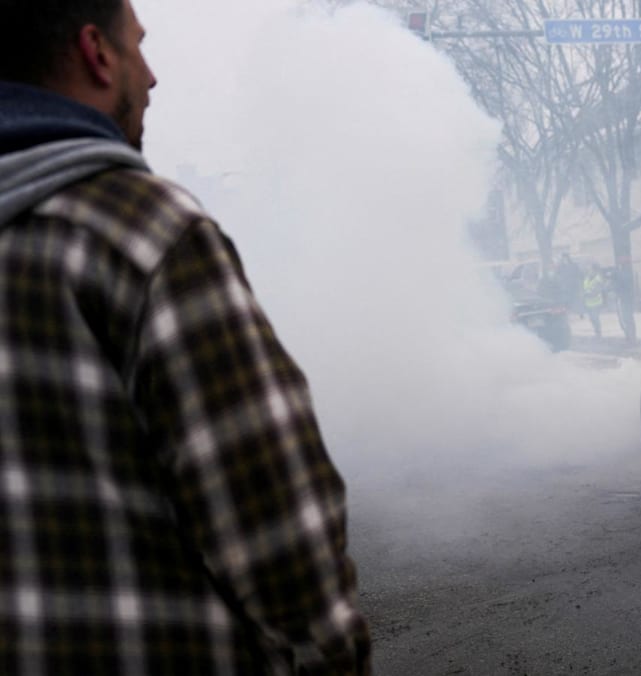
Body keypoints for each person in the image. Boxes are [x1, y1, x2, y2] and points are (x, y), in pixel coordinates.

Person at [0, 1, 371, 673]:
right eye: (137, 45)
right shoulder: (140, 232)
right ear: (96, 52)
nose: (153, 74)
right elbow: (277, 531)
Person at [582, 264, 606, 337]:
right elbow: (585, 288)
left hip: (596, 302)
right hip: (588, 302)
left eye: (590, 270)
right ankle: (597, 331)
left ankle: (598, 332)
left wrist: (588, 293)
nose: (589, 271)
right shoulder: (586, 278)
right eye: (588, 270)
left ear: (594, 271)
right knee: (592, 318)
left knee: (595, 317)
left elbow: (597, 290)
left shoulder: (598, 279)